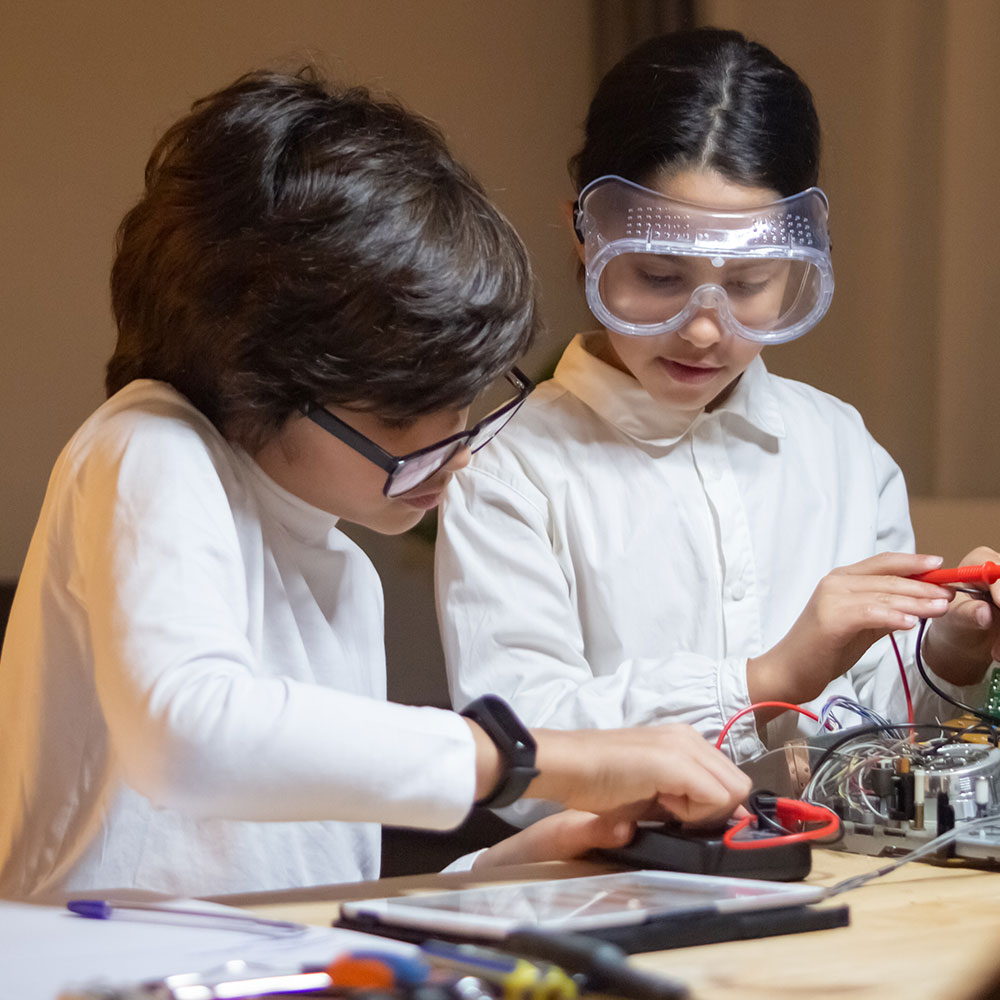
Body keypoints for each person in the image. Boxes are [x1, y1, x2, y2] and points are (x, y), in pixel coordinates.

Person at [0, 68, 750, 903]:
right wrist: (537, 757)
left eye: (464, 405)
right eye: (400, 420)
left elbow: (319, 893)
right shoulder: (148, 444)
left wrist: (532, 857)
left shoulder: (344, 572)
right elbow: (189, 737)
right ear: (260, 377)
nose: (452, 454)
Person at [436, 28, 1000, 768]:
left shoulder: (838, 449)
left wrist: (953, 651)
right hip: (613, 881)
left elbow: (880, 728)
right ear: (586, 237)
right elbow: (516, 746)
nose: (704, 329)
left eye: (748, 283)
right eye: (659, 277)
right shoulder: (507, 471)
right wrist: (766, 682)